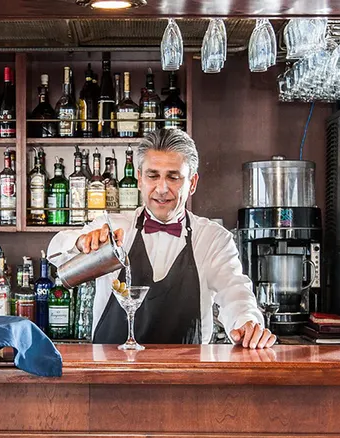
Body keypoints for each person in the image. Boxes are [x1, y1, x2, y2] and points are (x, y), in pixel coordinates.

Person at [48, 128, 276, 349]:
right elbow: (56, 253)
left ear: (193, 183)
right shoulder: (113, 228)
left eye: (174, 177)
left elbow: (234, 290)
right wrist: (81, 243)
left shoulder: (212, 239)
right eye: (153, 176)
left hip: (187, 377)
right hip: (111, 374)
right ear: (139, 179)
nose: (162, 188)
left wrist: (247, 322)